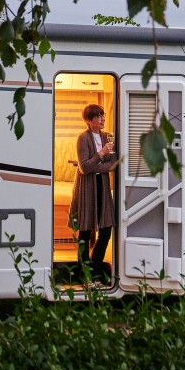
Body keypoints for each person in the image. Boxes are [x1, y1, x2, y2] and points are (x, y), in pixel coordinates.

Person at [69, 103, 118, 283]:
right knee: (85, 231)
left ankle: (94, 269)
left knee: (105, 231)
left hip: (102, 185)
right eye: (98, 116)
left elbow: (114, 164)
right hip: (86, 187)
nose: (103, 118)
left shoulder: (107, 136)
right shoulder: (83, 138)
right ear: (89, 121)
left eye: (103, 115)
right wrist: (101, 153)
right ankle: (84, 275)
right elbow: (84, 167)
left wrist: (97, 165)